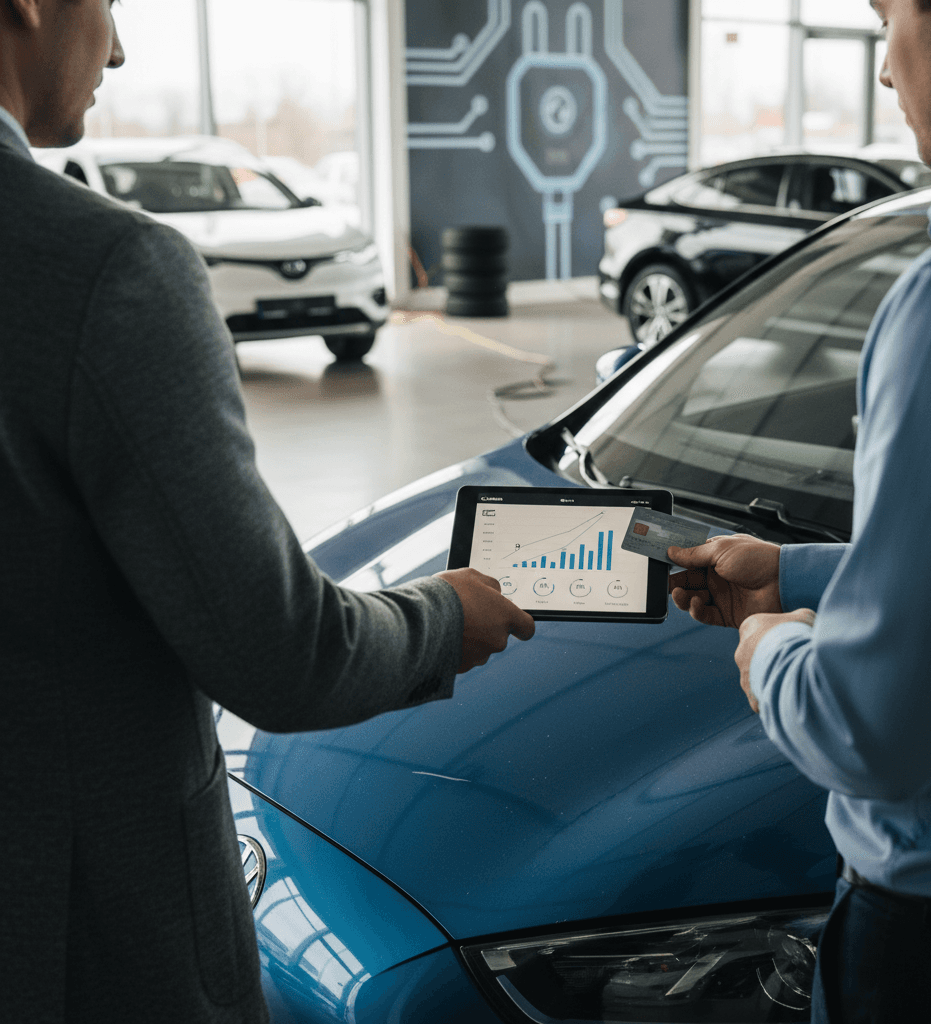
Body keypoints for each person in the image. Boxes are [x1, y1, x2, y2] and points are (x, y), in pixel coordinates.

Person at [0, 2, 534, 1021]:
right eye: (109, 4)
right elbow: (280, 652)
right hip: (80, 946)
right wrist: (446, 618)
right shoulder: (100, 269)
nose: (118, 46)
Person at [669, 1, 931, 1021]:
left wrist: (771, 647)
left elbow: (876, 731)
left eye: (885, 19)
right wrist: (794, 572)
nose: (882, 70)